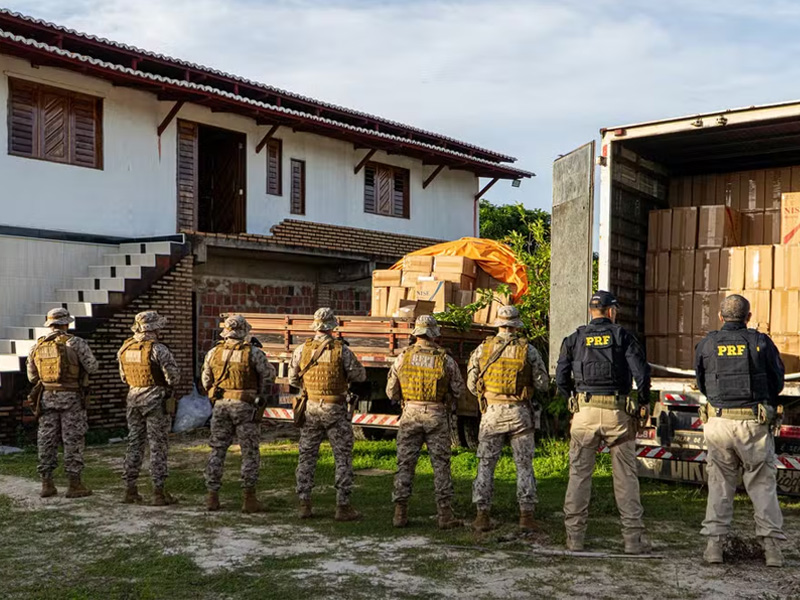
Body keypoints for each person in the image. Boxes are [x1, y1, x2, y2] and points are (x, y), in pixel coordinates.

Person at [555, 291, 651, 554]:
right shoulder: (622, 336)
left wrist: (572, 400)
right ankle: (632, 540)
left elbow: (561, 376)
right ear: (611, 311)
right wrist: (643, 402)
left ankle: (574, 538)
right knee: (626, 477)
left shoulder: (574, 338)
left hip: (584, 413)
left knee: (578, 476)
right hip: (617, 414)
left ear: (591, 311)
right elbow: (641, 373)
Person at [695, 294, 786, 567]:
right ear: (748, 317)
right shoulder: (760, 342)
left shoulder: (707, 344)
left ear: (720, 317)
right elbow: (777, 381)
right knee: (762, 485)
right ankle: (772, 551)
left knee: (719, 485)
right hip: (753, 425)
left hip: (718, 424)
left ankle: (714, 548)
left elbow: (701, 382)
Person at [467, 305, 549, 532]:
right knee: (524, 465)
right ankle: (526, 516)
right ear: (516, 326)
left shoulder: (482, 349)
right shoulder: (529, 350)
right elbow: (543, 383)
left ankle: (482, 516)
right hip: (520, 414)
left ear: (498, 324)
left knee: (486, 464)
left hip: (492, 414)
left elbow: (472, 385)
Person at [386, 315, 465, 529]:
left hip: (410, 414)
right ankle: (445, 514)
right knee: (441, 465)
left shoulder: (403, 357)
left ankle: (400, 513)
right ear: (434, 334)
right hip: (436, 415)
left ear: (417, 333)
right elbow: (458, 389)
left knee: (405, 463)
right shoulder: (445, 359)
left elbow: (391, 392)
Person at [290, 307, 366, 521]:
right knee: (342, 457)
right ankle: (343, 506)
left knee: (307, 456)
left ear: (315, 326)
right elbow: (359, 376)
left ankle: (304, 504)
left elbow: (293, 379)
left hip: (311, 408)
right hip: (335, 408)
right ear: (332, 326)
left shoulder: (301, 350)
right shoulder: (342, 350)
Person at [202, 315, 276, 513]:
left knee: (217, 449)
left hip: (220, 405)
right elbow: (269, 376)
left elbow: (206, 380)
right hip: (245, 406)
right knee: (249, 451)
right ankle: (249, 498)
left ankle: (212, 496)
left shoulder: (213, 352)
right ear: (244, 332)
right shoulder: (253, 353)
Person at [27, 308, 98, 498]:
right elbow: (92, 367)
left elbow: (32, 377)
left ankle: (47, 483)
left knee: (46, 439)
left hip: (47, 398)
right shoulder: (76, 343)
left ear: (49, 325)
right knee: (73, 439)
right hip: (72, 398)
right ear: (66, 324)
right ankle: (75, 484)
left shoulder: (37, 346)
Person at [117, 311, 180, 506]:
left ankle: (130, 489)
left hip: (133, 399)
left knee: (134, 443)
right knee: (157, 445)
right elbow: (173, 378)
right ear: (155, 328)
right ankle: (158, 492)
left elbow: (124, 377)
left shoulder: (125, 348)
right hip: (155, 400)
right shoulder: (159, 349)